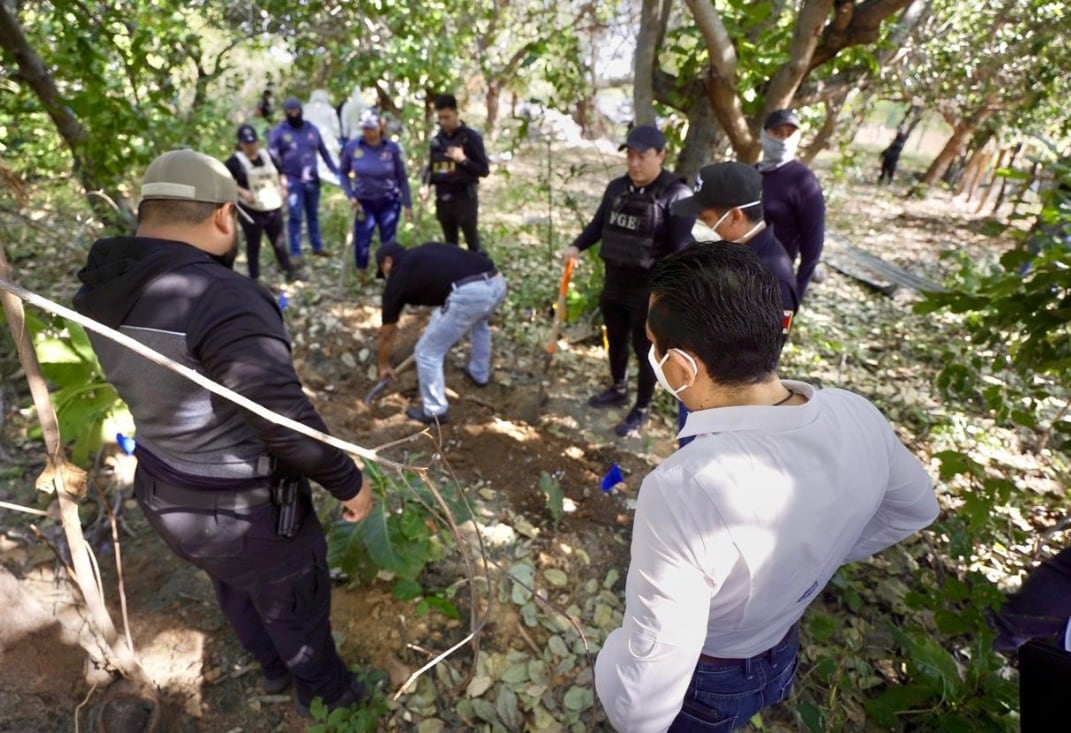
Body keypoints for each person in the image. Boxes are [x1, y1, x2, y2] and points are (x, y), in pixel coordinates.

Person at [72, 149, 373, 718]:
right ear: (223, 216)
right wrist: (348, 480)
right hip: (245, 509)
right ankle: (331, 697)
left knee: (233, 585)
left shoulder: (99, 290)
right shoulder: (219, 295)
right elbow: (282, 419)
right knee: (294, 602)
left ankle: (273, 669)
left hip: (167, 490)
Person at [594, 241, 938, 732]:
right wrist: (817, 554)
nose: (650, 354)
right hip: (779, 653)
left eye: (654, 344)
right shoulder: (855, 412)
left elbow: (642, 707)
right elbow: (915, 508)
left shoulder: (686, 489)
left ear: (682, 367)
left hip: (709, 684)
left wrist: (609, 657)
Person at [561, 124, 694, 437]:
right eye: (630, 156)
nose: (634, 163)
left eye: (642, 156)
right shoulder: (616, 189)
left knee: (645, 349)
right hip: (615, 280)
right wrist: (576, 245)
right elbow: (598, 226)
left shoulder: (677, 194)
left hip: (650, 290)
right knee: (615, 339)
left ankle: (642, 407)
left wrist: (673, 296)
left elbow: (681, 250)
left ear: (661, 155)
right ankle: (618, 387)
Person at [671, 161, 799, 447]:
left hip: (724, 405)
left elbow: (758, 358)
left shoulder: (772, 278)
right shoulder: (733, 251)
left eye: (706, 216)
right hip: (698, 384)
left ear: (735, 216)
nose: (703, 225)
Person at [374, 241, 506, 424]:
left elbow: (387, 333)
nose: (387, 276)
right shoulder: (426, 250)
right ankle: (479, 373)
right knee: (480, 323)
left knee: (426, 352)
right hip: (497, 281)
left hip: (470, 294)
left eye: (384, 271)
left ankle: (435, 410)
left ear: (387, 262)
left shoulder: (398, 278)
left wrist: (383, 365)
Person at [757, 108, 826, 300]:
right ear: (764, 135)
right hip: (738, 273)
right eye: (777, 134)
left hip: (775, 281)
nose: (784, 140)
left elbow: (812, 247)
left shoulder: (804, 182)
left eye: (790, 134)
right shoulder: (751, 174)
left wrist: (796, 295)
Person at [340, 110, 412, 276]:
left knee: (388, 242)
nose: (368, 132)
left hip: (389, 201)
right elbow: (343, 173)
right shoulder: (352, 147)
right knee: (362, 240)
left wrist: (407, 203)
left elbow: (402, 177)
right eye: (365, 128)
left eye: (371, 128)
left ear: (380, 126)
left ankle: (387, 276)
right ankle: (361, 274)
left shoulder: (392, 148)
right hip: (363, 202)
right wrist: (350, 195)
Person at [269, 97, 341, 261]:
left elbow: (324, 153)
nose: (294, 114)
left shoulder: (312, 130)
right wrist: (281, 176)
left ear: (301, 111)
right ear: (286, 113)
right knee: (295, 215)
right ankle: (295, 252)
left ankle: (317, 247)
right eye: (290, 111)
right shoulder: (279, 132)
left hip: (312, 180)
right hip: (292, 180)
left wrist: (338, 173)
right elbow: (272, 156)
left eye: (296, 111)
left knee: (313, 215)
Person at [225, 124, 298, 282]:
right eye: (247, 143)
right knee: (253, 245)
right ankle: (254, 278)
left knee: (278, 241)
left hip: (272, 206)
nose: (251, 146)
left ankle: (288, 271)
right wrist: (242, 192)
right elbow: (225, 181)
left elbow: (281, 173)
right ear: (240, 143)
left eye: (253, 142)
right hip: (250, 209)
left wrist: (284, 187)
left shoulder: (268, 156)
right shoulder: (234, 162)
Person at [419, 93, 490, 253]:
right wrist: (425, 185)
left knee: (473, 245)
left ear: (456, 113)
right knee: (450, 246)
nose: (443, 122)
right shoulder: (437, 140)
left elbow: (483, 170)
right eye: (440, 118)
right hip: (443, 199)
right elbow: (431, 166)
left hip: (464, 198)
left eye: (447, 117)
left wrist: (463, 160)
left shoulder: (471, 137)